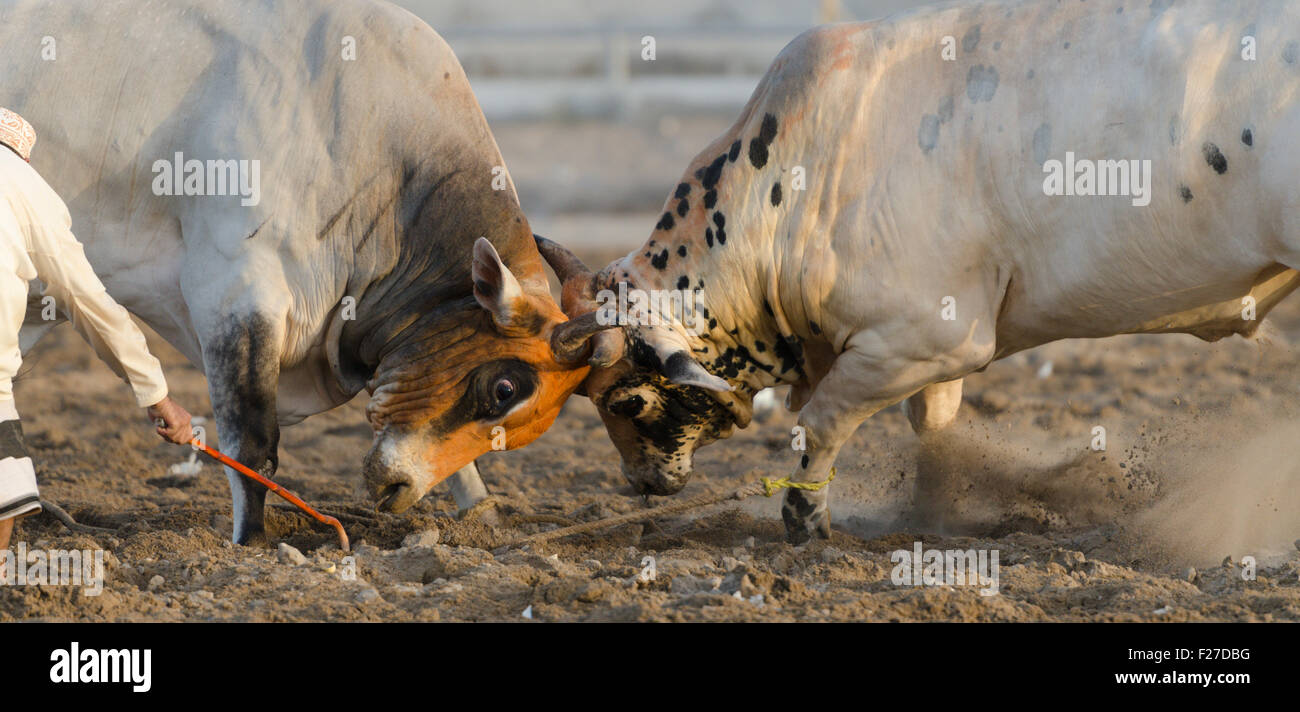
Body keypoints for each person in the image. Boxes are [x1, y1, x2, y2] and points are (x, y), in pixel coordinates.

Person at [0, 108, 193, 558]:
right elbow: (86, 301)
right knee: (4, 487)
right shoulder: (25, 186)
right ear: (21, 154)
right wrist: (157, 394)